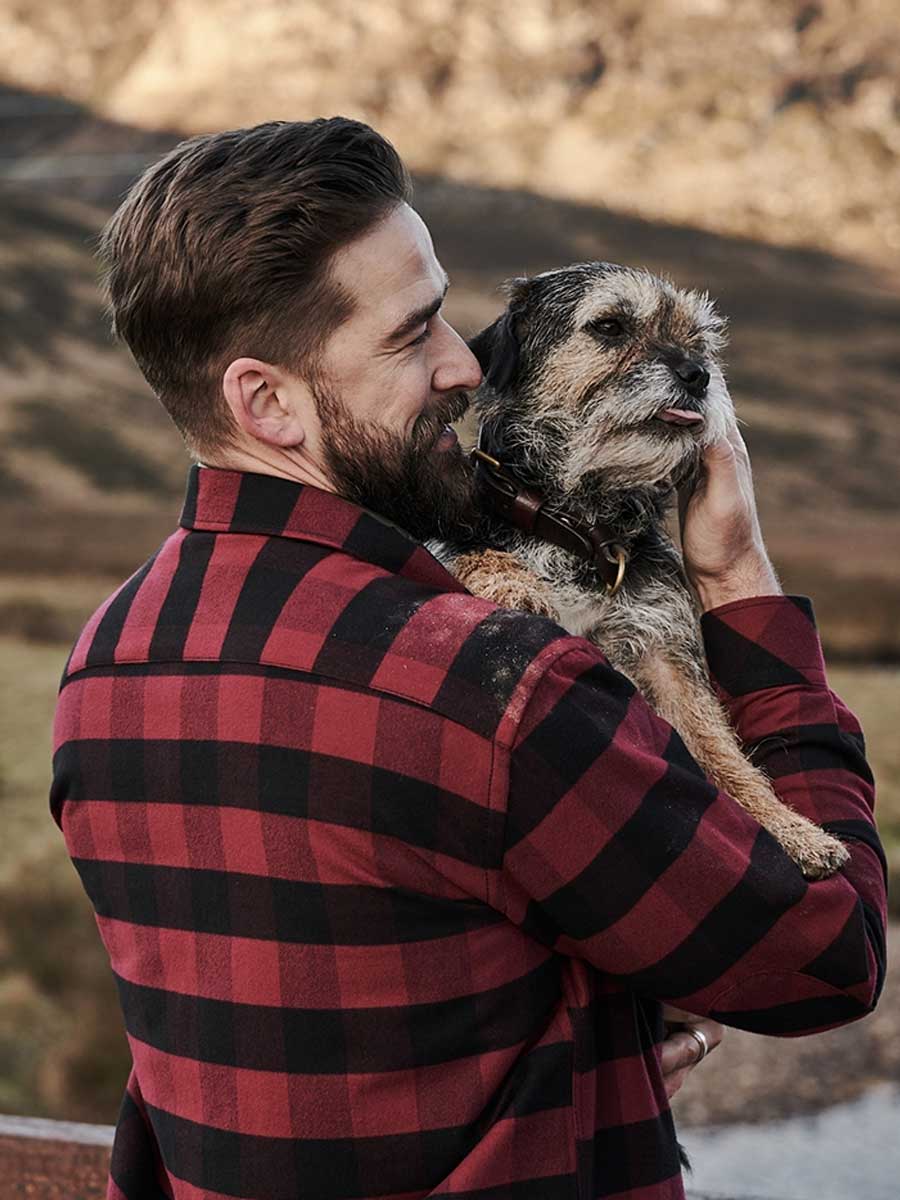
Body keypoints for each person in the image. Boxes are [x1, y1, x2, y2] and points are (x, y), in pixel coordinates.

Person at [50, 118, 886, 1200]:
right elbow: (827, 953)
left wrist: (580, 1043)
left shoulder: (106, 663)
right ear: (268, 402)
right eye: (412, 335)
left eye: (444, 310)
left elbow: (214, 1045)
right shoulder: (495, 684)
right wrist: (736, 581)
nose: (465, 366)